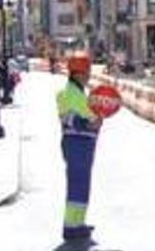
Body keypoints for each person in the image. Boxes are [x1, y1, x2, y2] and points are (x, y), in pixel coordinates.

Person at [56, 52, 102, 242]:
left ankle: (77, 223)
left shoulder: (71, 92)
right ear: (79, 73)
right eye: (87, 72)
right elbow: (89, 119)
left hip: (76, 144)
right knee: (78, 186)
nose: (89, 76)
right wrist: (96, 120)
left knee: (79, 185)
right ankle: (72, 227)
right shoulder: (75, 95)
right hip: (79, 144)